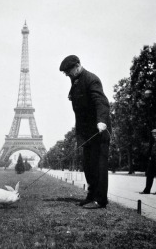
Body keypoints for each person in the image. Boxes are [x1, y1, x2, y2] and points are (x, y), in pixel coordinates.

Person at [59, 55, 111, 209]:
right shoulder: (75, 81)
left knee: (99, 166)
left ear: (78, 66)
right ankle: (91, 195)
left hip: (98, 131)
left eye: (68, 71)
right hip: (86, 133)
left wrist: (101, 121)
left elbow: (101, 102)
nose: (67, 74)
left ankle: (100, 200)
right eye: (66, 73)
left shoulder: (91, 79)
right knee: (88, 166)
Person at [140, 129, 156, 195]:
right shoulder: (152, 142)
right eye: (153, 134)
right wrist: (149, 156)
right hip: (152, 160)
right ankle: (147, 190)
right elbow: (150, 150)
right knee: (149, 175)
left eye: (155, 133)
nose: (154, 135)